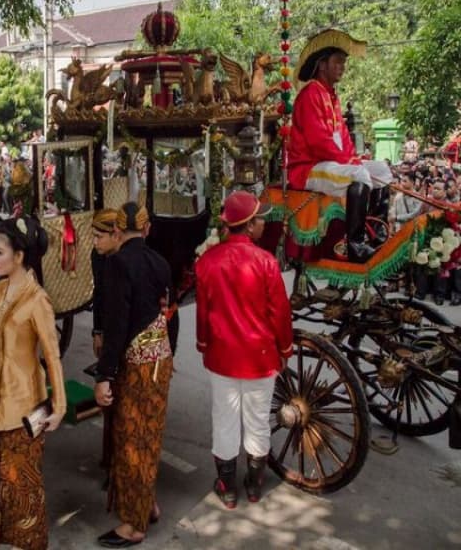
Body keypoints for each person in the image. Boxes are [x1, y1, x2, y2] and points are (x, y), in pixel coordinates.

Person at [196, 191, 293, 508]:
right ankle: (253, 485)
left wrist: (203, 343)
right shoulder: (266, 261)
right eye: (260, 218)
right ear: (249, 226)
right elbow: (280, 312)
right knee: (258, 421)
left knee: (224, 419)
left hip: (223, 355)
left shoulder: (208, 261)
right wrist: (286, 348)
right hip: (260, 357)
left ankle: (227, 487)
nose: (264, 222)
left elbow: (203, 312)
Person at [0, 217, 66, 550]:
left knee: (25, 484)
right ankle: (14, 541)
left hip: (24, 403)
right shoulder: (1, 289)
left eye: (0, 252)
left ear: (20, 256)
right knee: (5, 477)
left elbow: (53, 356)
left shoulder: (37, 300)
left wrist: (58, 406)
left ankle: (31, 543)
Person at [94, 202, 172, 548]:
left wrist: (104, 375)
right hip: (160, 359)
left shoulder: (119, 265)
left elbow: (117, 325)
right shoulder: (159, 262)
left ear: (116, 231)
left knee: (131, 441)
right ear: (145, 228)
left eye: (100, 234)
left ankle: (134, 525)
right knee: (149, 436)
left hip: (137, 363)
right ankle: (147, 504)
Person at [289, 29, 393, 262]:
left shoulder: (331, 96)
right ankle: (355, 245)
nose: (343, 67)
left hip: (332, 165)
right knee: (359, 174)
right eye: (338, 61)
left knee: (383, 171)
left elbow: (343, 138)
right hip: (308, 168)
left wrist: (355, 158)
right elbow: (319, 143)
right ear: (322, 65)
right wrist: (352, 162)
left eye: (344, 62)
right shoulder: (310, 94)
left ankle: (376, 233)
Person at [90, 208, 121, 489]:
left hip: (125, 340)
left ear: (116, 235)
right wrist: (97, 331)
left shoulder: (127, 262)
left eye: (100, 236)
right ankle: (108, 459)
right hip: (108, 333)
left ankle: (119, 467)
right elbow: (98, 294)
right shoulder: (97, 257)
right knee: (109, 403)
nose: (95, 242)